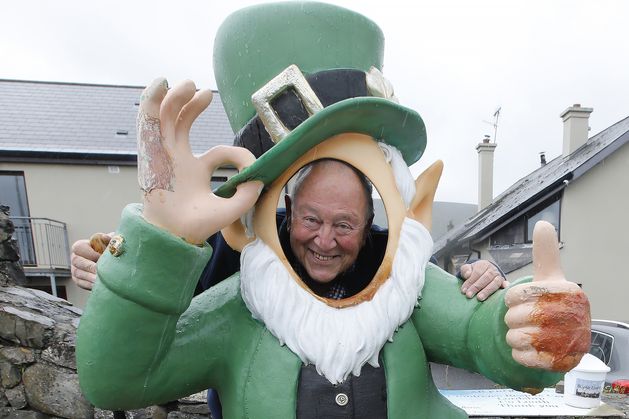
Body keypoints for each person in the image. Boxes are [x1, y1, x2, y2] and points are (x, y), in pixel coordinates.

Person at [75, 3, 590, 418]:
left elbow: (487, 340)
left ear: (372, 223)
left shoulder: (407, 290)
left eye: (345, 224)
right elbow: (116, 379)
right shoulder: (239, 310)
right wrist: (152, 245)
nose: (324, 240)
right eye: (310, 220)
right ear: (282, 209)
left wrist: (542, 328)